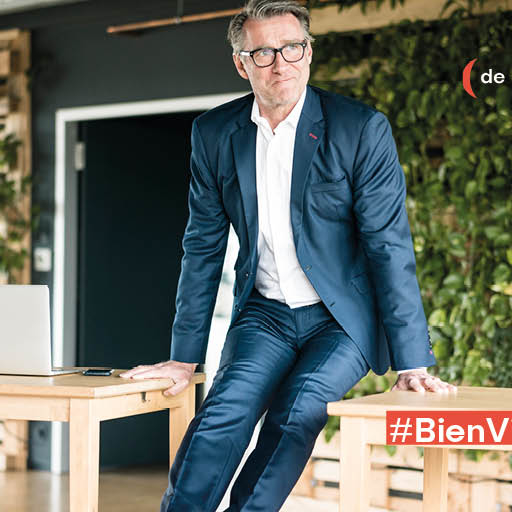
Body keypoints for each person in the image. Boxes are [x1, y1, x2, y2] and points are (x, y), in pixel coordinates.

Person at [120, 1, 456, 510]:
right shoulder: (214, 133)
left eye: (293, 48)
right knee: (222, 415)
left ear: (309, 52)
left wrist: (412, 361)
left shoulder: (360, 129)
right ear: (242, 64)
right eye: (264, 52)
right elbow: (203, 245)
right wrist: (184, 357)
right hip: (265, 313)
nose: (281, 63)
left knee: (298, 412)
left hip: (342, 320)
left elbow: (389, 244)